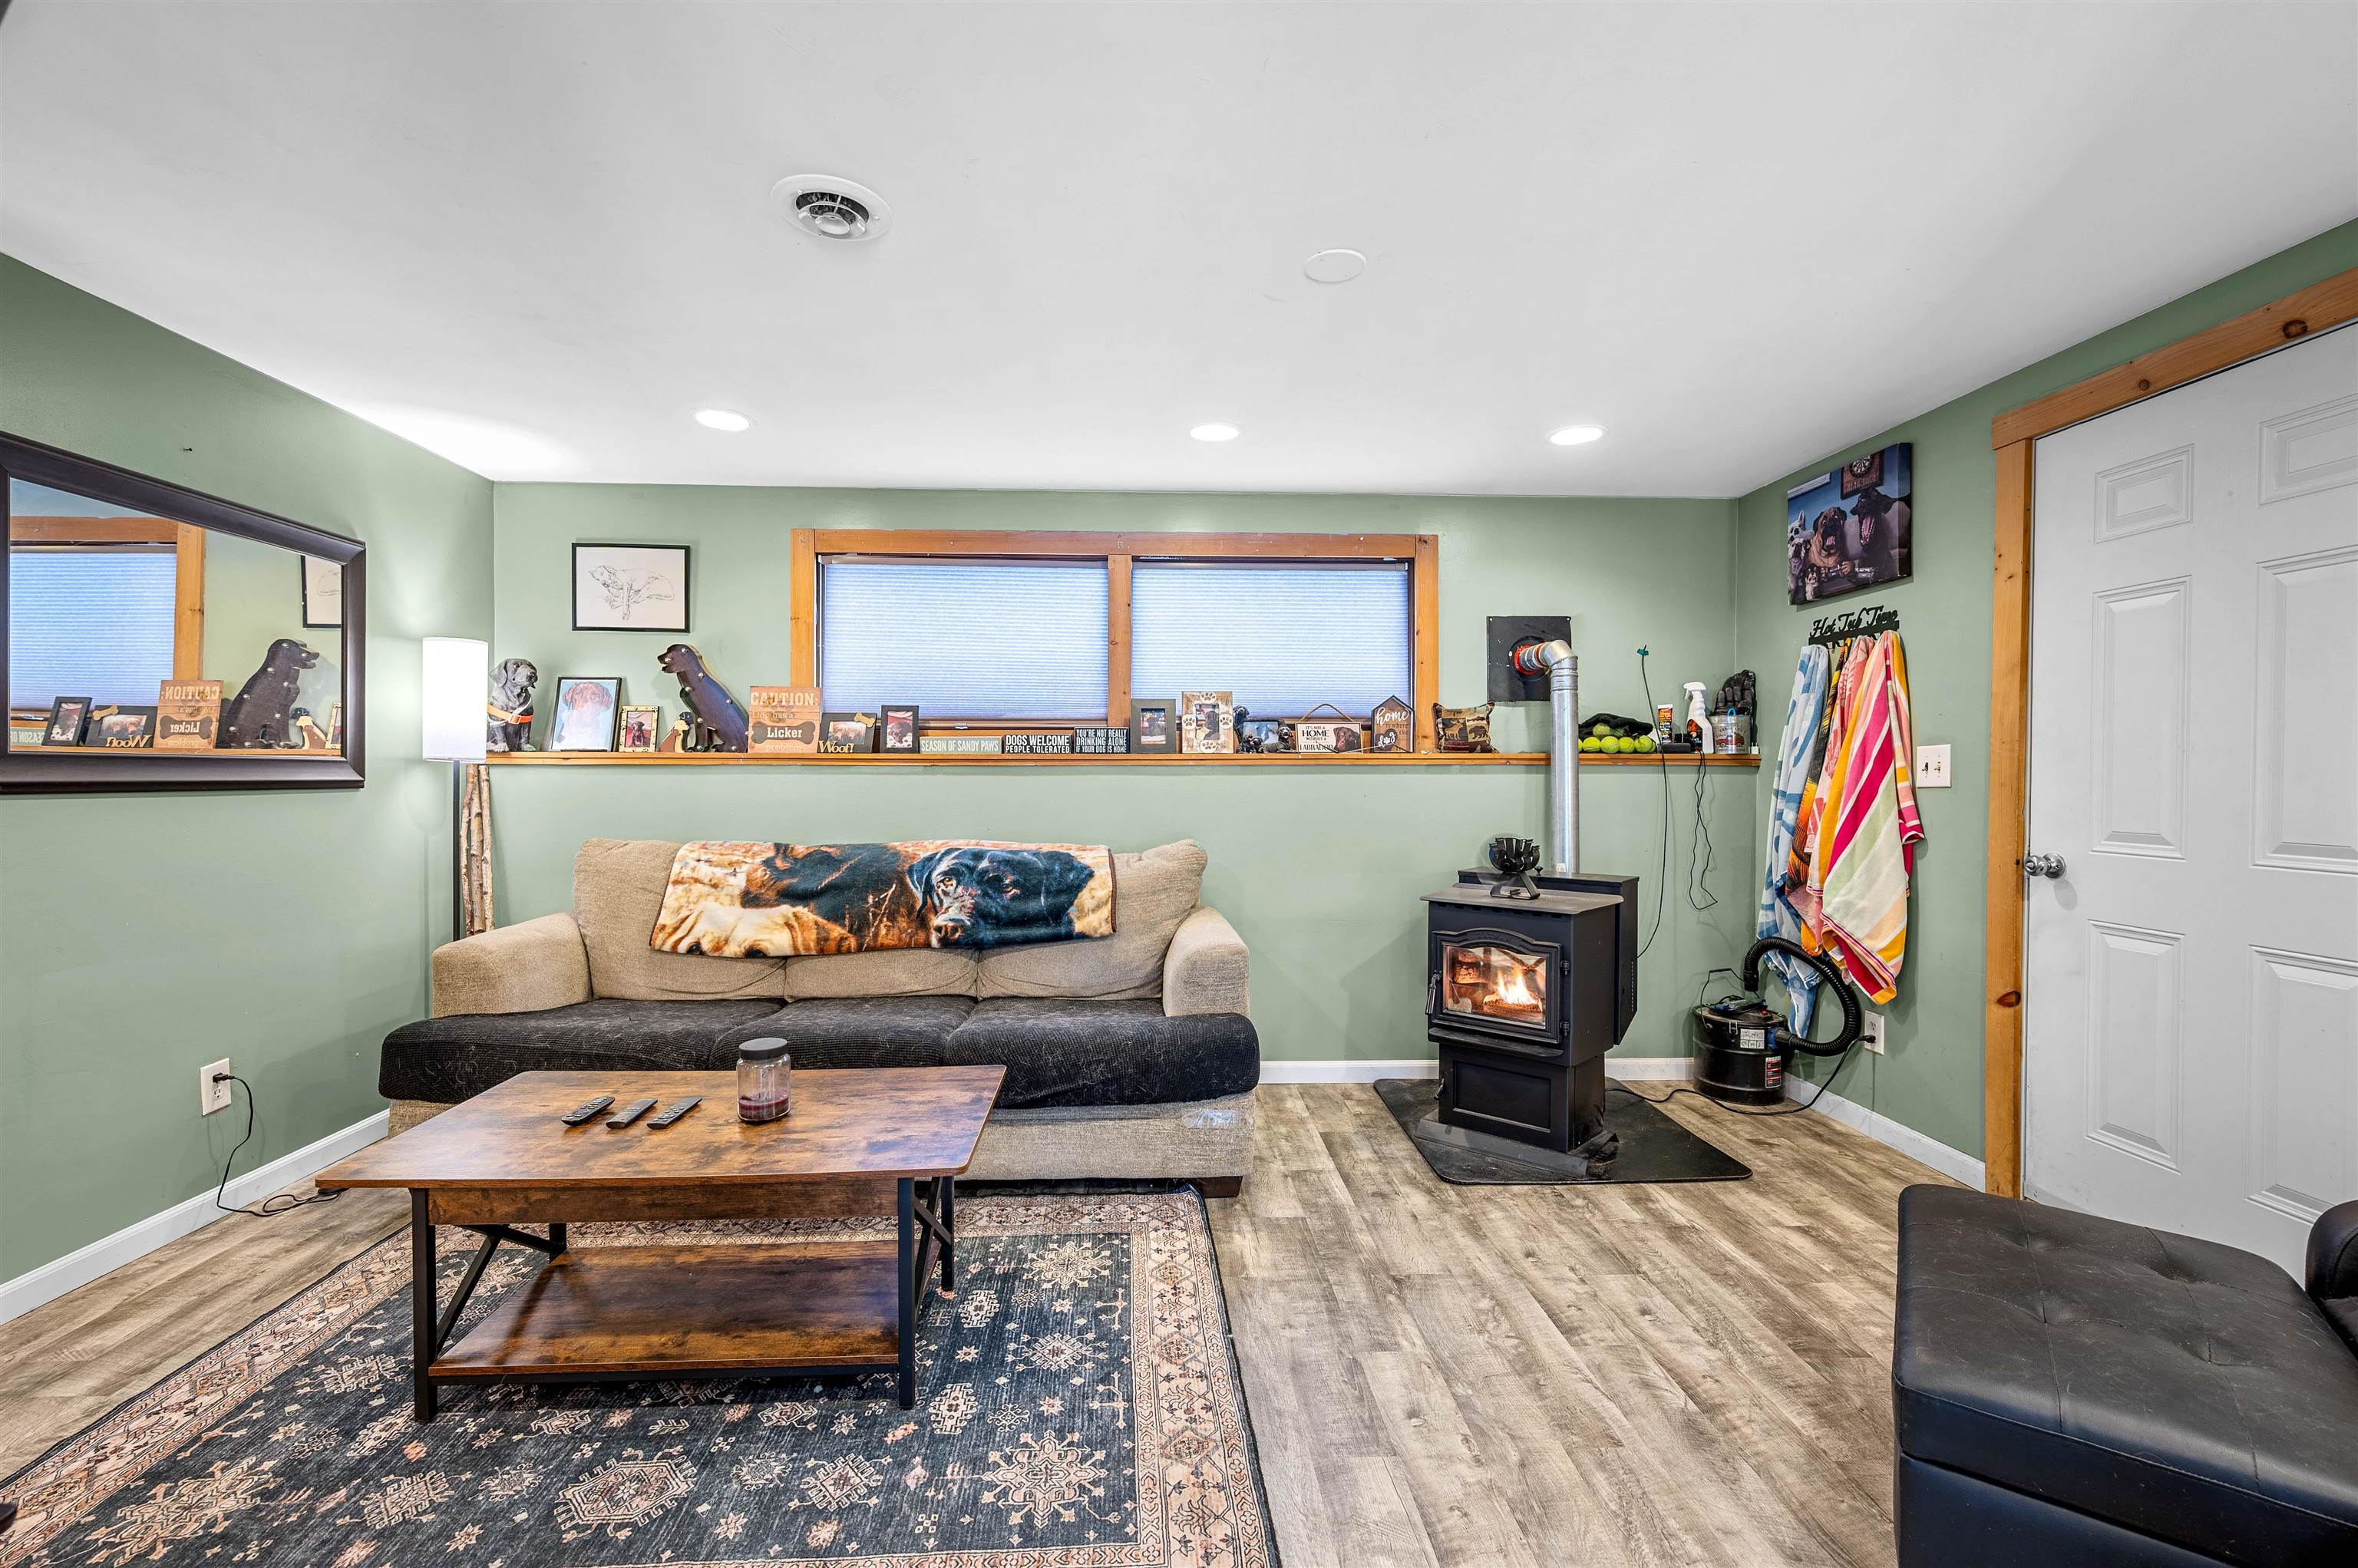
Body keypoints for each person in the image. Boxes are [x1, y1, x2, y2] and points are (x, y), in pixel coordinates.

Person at [553, 681, 616, 748]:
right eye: (578, 695)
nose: (582, 706)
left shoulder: (601, 740)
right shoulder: (557, 742)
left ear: (602, 707)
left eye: (595, 698)